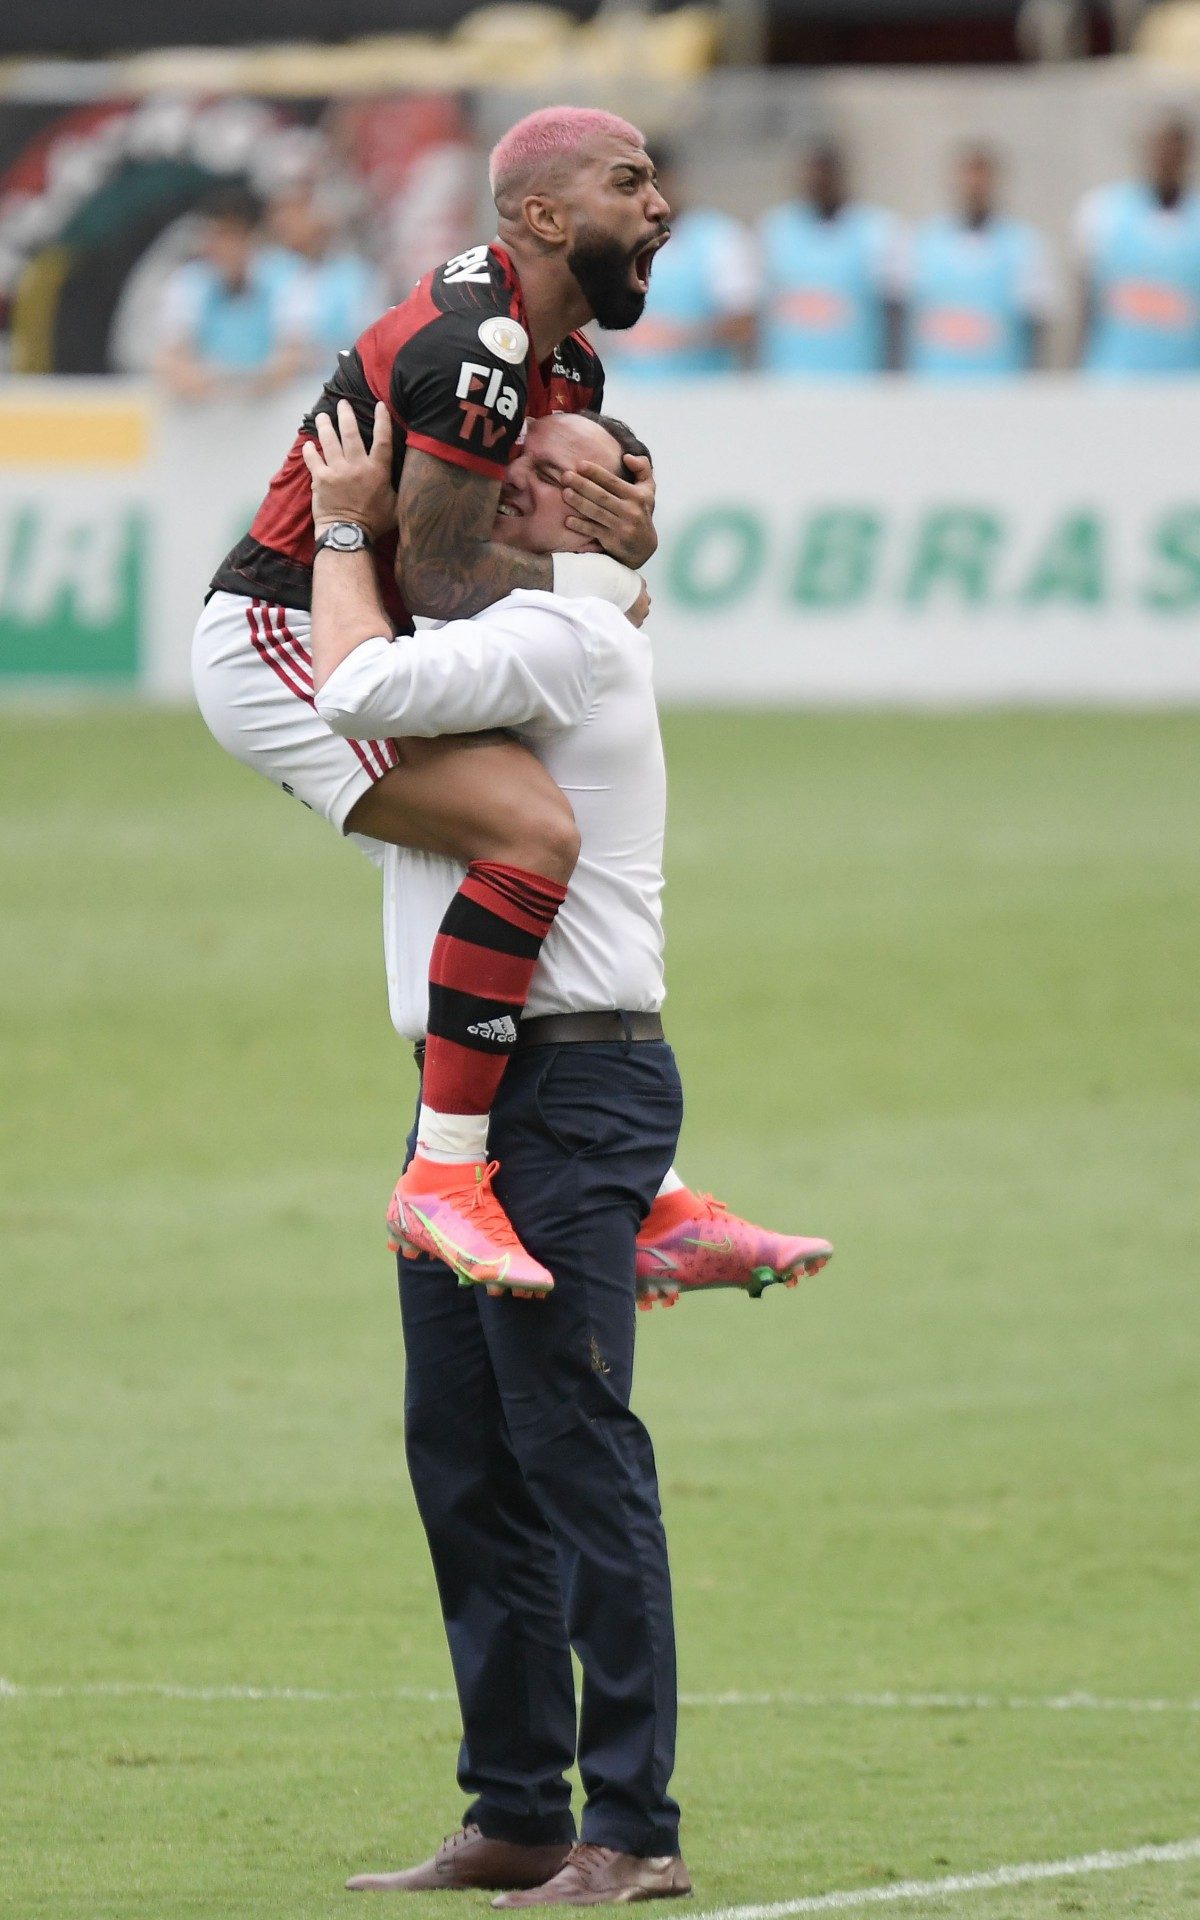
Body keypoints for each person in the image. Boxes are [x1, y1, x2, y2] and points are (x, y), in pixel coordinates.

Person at [301, 396, 830, 1904]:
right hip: (466, 1095)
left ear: (608, 510)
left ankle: (635, 1827)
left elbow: (352, 685)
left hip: (567, 1088)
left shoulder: (562, 638)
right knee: (465, 1458)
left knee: (574, 1452)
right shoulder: (532, 626)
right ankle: (520, 1809)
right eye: (520, 460)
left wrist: (339, 523)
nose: (521, 480)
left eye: (565, 473)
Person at [192, 106, 818, 1303]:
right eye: (627, 182)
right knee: (529, 833)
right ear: (542, 214)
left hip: (390, 632)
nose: (660, 204)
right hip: (289, 636)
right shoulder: (471, 345)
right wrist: (605, 586)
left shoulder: (565, 361)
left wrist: (621, 544)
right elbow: (442, 575)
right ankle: (445, 1175)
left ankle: (645, 1196)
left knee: (522, 863)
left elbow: (521, 542)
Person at [600, 149, 758, 380]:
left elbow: (744, 325)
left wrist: (679, 337)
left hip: (701, 393)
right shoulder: (612, 243)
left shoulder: (719, 238)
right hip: (631, 392)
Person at [904, 146, 1056, 377]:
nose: (974, 186)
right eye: (967, 176)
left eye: (981, 177)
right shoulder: (924, 242)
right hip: (934, 386)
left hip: (1000, 386)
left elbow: (1036, 324)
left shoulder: (1023, 244)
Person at [758, 141, 905, 377]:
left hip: (856, 382)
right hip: (789, 382)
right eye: (810, 173)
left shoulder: (875, 229)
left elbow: (895, 313)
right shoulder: (776, 229)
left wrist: (892, 374)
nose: (817, 181)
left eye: (824, 173)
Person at [154, 186, 305, 402]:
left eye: (226, 236)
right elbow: (169, 357)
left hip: (274, 405)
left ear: (251, 237)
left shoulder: (287, 277)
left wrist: (254, 386)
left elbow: (294, 353)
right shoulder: (189, 281)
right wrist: (194, 380)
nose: (216, 246)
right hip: (207, 406)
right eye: (211, 236)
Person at [1075, 117, 1200, 375]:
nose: (1166, 159)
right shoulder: (1104, 211)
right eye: (1160, 149)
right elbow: (1087, 302)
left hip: (1186, 380)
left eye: (1174, 150)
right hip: (1115, 378)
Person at [265, 181, 386, 374]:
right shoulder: (270, 270)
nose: (283, 221)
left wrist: (307, 356)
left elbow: (369, 345)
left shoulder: (356, 276)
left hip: (331, 380)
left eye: (297, 211)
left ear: (323, 217)